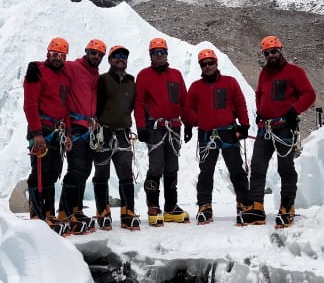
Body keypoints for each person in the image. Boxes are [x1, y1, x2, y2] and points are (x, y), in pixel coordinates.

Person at [243, 35, 315, 227]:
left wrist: (294, 110)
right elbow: (259, 94)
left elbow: (309, 94)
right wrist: (260, 112)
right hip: (265, 128)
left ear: (280, 50)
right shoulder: (264, 73)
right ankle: (256, 206)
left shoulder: (294, 72)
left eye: (273, 51)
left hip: (284, 127)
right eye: (267, 53)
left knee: (285, 168)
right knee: (257, 167)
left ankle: (287, 206)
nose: (270, 55)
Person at [184, 48, 250, 225]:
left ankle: (244, 203)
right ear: (200, 66)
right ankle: (204, 205)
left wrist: (244, 125)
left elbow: (240, 103)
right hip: (207, 134)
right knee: (206, 171)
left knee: (236, 169)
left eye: (210, 63)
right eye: (204, 64)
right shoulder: (196, 87)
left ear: (216, 63)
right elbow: (188, 109)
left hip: (228, 131)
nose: (207, 66)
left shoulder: (230, 82)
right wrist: (194, 122)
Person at [134, 37, 189, 226]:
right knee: (156, 166)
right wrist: (141, 127)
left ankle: (171, 206)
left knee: (172, 167)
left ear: (167, 54)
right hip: (155, 128)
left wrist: (188, 123)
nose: (159, 55)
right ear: (150, 55)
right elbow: (139, 103)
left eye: (162, 52)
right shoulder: (143, 75)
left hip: (174, 127)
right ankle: (153, 205)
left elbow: (184, 101)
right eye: (156, 52)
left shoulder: (176, 75)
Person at [23, 37, 73, 236]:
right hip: (41, 131)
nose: (57, 58)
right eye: (54, 54)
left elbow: (65, 108)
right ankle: (37, 214)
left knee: (52, 173)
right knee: (39, 172)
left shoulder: (63, 78)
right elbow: (30, 105)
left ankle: (49, 213)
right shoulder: (37, 72)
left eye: (61, 55)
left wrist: (68, 134)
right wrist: (36, 133)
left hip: (57, 131)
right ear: (48, 53)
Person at [58, 39, 106, 234]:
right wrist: (35, 68)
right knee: (76, 169)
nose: (96, 56)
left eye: (99, 55)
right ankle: (64, 212)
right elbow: (53, 67)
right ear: (86, 52)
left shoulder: (95, 75)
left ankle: (76, 209)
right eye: (93, 53)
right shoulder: (73, 67)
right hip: (75, 128)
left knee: (84, 170)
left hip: (89, 128)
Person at [95, 44, 140, 230]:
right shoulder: (102, 80)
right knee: (101, 174)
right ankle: (103, 211)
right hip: (104, 132)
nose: (121, 59)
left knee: (125, 175)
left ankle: (128, 212)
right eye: (117, 56)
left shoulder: (131, 81)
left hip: (122, 133)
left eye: (124, 56)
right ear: (110, 60)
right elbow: (95, 104)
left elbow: (130, 106)